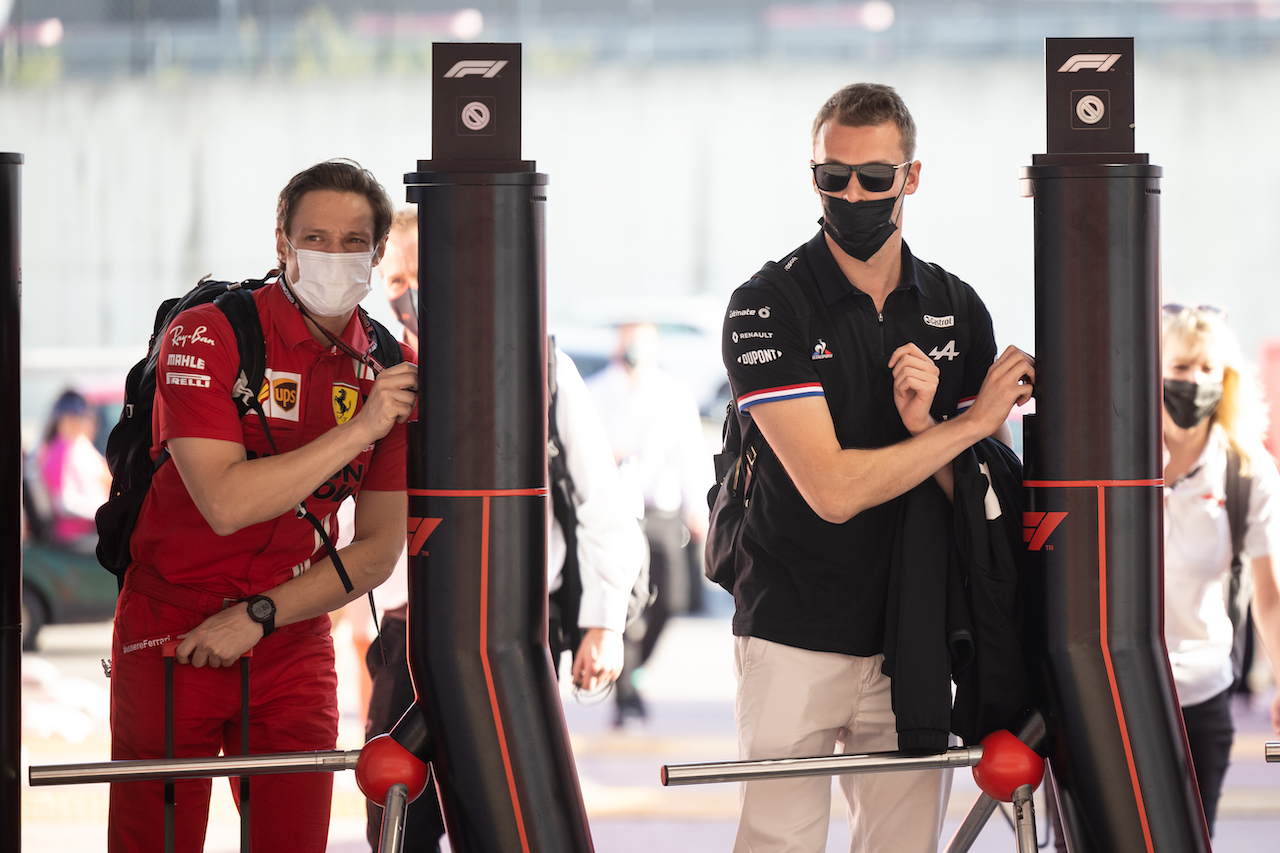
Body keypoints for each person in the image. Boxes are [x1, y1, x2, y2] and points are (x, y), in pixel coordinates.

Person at [719, 83, 1034, 853]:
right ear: (815, 175)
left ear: (912, 178)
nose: (852, 194)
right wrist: (973, 426)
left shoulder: (957, 307)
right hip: (793, 629)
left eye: (874, 178)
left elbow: (978, 499)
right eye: (834, 176)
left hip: (913, 640)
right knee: (779, 847)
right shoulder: (768, 303)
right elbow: (830, 489)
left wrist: (936, 428)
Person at [107, 159, 418, 853]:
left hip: (291, 628)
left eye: (352, 242)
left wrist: (261, 615)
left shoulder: (385, 362)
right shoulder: (208, 332)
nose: (333, 256)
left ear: (377, 254)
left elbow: (377, 548)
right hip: (169, 626)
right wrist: (361, 429)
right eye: (316, 238)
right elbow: (224, 501)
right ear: (282, 243)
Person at [368, 209, 646, 850]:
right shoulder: (377, 379)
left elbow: (602, 503)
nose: (410, 293)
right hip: (408, 634)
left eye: (422, 273)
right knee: (398, 817)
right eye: (397, 280)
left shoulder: (537, 370)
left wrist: (602, 622)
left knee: (507, 817)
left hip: (511, 631)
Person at [1160, 304, 1280, 836]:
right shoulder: (1109, 460)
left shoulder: (1245, 469)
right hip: (1105, 693)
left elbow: (1269, 597)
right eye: (1183, 366)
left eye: (1210, 369)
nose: (1197, 381)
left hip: (1201, 697)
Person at [585, 322, 712, 727]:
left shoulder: (672, 393)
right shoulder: (596, 392)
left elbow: (691, 454)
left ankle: (633, 670)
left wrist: (699, 509)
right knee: (620, 603)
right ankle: (625, 696)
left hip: (661, 511)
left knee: (671, 600)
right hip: (617, 512)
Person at [36, 389, 112, 551]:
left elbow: (102, 475)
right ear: (60, 419)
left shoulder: (77, 445)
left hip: (91, 529)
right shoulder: (60, 451)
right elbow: (64, 502)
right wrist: (104, 512)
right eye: (74, 417)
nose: (83, 422)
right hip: (75, 535)